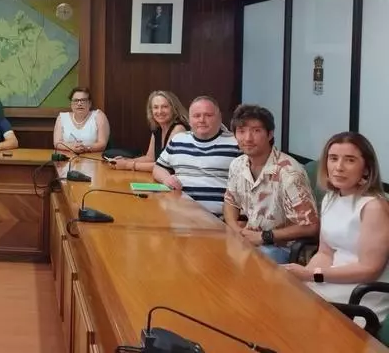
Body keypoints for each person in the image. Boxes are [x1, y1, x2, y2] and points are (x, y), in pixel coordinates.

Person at [282, 132, 389, 323]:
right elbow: (326, 252)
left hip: (360, 293)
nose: (339, 167)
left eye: (350, 160)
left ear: (366, 169)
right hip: (330, 279)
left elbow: (369, 269)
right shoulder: (331, 197)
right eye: (333, 159)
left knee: (291, 315)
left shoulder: (374, 206)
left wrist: (312, 275)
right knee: (282, 295)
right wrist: (304, 279)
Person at [223, 105, 319, 264]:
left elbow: (311, 226)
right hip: (249, 239)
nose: (248, 138)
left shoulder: (288, 173)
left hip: (280, 247)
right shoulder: (237, 165)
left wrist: (264, 236)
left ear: (270, 134)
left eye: (256, 131)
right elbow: (230, 201)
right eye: (241, 131)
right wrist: (235, 229)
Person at [153, 96, 240, 215]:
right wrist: (166, 179)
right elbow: (158, 167)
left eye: (208, 115)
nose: (202, 120)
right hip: (179, 214)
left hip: (218, 218)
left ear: (219, 118)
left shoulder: (236, 143)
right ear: (189, 120)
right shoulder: (178, 140)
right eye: (196, 116)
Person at [110, 90, 189, 172]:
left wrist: (127, 165)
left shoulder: (178, 129)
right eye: (156, 107)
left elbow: (166, 166)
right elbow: (150, 158)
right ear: (151, 110)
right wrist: (125, 161)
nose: (159, 111)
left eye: (165, 107)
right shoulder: (158, 128)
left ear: (174, 109)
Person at [52, 87, 109, 154]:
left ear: (89, 103)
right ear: (71, 104)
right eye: (76, 100)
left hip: (92, 157)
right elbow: (57, 143)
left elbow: (102, 144)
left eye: (83, 100)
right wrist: (71, 147)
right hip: (67, 158)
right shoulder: (62, 117)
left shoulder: (98, 116)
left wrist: (85, 148)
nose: (79, 103)